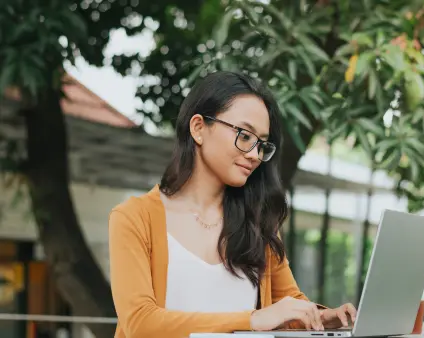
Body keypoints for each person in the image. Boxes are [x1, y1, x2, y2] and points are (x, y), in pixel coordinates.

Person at [108, 71, 357, 338]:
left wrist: (322, 318)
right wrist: (252, 319)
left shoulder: (259, 222)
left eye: (262, 144)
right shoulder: (134, 217)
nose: (254, 154)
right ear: (198, 128)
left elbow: (286, 307)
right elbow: (140, 323)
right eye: (244, 135)